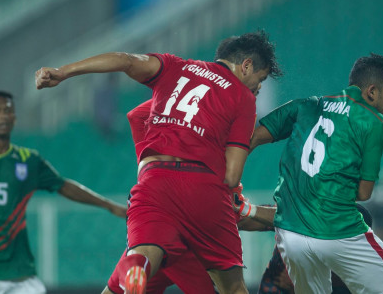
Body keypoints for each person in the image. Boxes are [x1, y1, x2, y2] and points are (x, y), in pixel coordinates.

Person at [35, 30, 281, 294]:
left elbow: (126, 66)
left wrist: (63, 72)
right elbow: (231, 176)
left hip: (154, 183)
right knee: (232, 288)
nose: (259, 87)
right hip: (202, 189)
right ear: (246, 66)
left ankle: (137, 270)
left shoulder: (176, 67)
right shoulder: (243, 98)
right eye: (261, 78)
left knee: (140, 258)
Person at [249, 53, 383, 294]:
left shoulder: (306, 105)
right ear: (372, 92)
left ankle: (242, 209)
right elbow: (364, 193)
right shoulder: (374, 121)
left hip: (291, 235)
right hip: (338, 230)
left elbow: (252, 138)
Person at [103, 99, 276, 294]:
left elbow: (136, 116)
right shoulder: (220, 173)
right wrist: (278, 221)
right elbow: (236, 218)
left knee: (133, 268)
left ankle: (136, 271)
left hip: (153, 225)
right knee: (234, 288)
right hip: (187, 250)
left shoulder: (169, 143)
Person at [0, 90, 127, 294]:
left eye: (7, 111)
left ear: (14, 117)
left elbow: (63, 186)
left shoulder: (28, 159)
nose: (3, 116)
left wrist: (109, 206)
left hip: (19, 276)